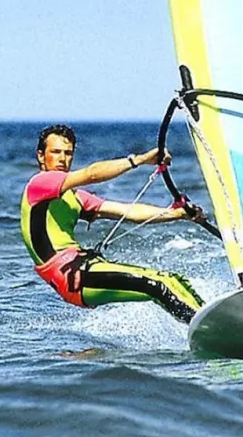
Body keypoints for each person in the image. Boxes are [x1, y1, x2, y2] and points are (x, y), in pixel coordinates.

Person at [20, 123, 205, 324]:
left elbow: (128, 211)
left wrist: (176, 214)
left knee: (173, 280)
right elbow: (91, 174)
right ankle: (208, 327)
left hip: (87, 268)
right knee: (159, 284)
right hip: (73, 277)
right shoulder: (39, 184)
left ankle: (212, 316)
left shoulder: (76, 198)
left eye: (68, 153)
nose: (63, 159)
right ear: (41, 156)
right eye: (55, 152)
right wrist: (140, 160)